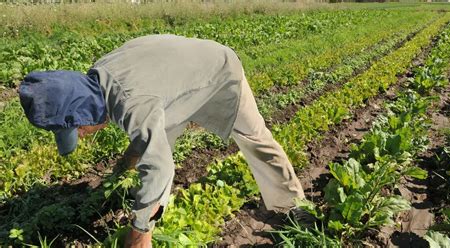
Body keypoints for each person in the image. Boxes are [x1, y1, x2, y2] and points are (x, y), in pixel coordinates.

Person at [18, 34, 304, 247]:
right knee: (156, 142)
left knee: (254, 137)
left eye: (77, 129)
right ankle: (151, 201)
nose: (81, 135)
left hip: (219, 70)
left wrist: (140, 231)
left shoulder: (133, 103)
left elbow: (159, 165)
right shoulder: (99, 75)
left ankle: (293, 206)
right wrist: (125, 166)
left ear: (86, 114)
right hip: (174, 84)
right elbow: (145, 130)